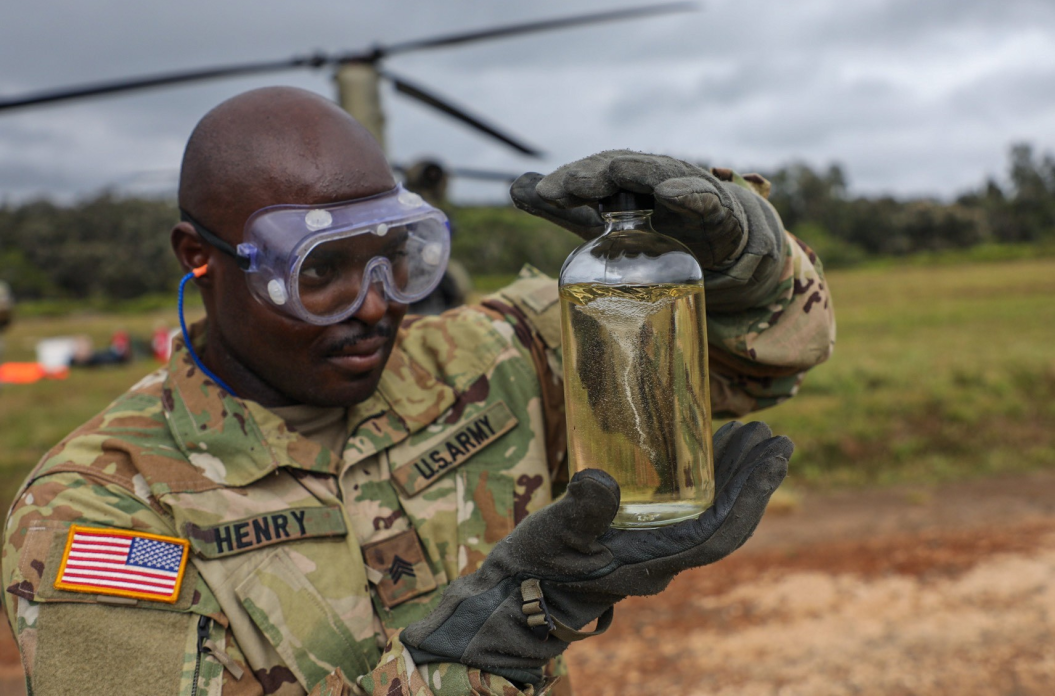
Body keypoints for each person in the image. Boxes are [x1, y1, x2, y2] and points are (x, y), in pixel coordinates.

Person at [1, 87, 835, 696]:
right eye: (319, 271)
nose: (374, 307)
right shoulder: (102, 511)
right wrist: (495, 643)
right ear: (200, 255)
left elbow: (765, 353)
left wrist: (735, 249)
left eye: (393, 259)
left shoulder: (488, 359)